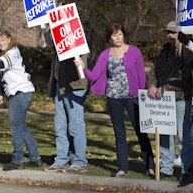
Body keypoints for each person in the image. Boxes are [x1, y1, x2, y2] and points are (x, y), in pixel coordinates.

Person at [75, 21, 155, 177]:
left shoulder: (134, 51)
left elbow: (141, 77)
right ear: (110, 38)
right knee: (119, 133)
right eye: (114, 35)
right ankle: (122, 167)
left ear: (123, 34)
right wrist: (81, 65)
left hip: (133, 97)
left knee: (141, 131)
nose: (118, 38)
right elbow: (93, 75)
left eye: (119, 34)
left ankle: (150, 165)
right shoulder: (105, 54)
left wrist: (144, 97)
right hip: (113, 97)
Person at [0, 30, 42, 171]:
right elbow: (4, 76)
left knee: (15, 127)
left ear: (9, 39)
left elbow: (0, 64)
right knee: (20, 125)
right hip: (18, 92)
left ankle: (18, 160)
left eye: (3, 40)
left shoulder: (13, 52)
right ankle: (35, 157)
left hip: (21, 92)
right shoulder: (7, 54)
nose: (0, 43)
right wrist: (0, 93)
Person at [146, 21, 193, 186]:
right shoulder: (164, 50)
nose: (170, 35)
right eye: (168, 32)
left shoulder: (188, 53)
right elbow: (154, 71)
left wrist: (168, 86)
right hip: (162, 102)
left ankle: (186, 170)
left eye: (173, 32)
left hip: (181, 99)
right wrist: (151, 84)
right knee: (164, 135)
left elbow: (186, 79)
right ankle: (166, 168)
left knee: (183, 137)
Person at [43, 33, 89, 173]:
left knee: (75, 126)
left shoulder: (76, 40)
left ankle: (80, 161)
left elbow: (84, 57)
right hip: (60, 87)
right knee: (60, 127)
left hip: (74, 87)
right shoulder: (57, 47)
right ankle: (61, 159)